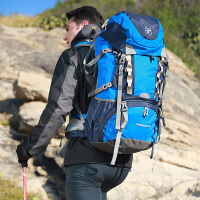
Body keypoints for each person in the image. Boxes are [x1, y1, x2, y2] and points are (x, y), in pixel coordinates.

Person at [16, 6, 133, 200]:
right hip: (121, 161)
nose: (65, 37)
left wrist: (29, 148)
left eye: (68, 29)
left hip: (88, 159)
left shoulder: (74, 56)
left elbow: (58, 108)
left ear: (84, 25)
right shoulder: (115, 56)